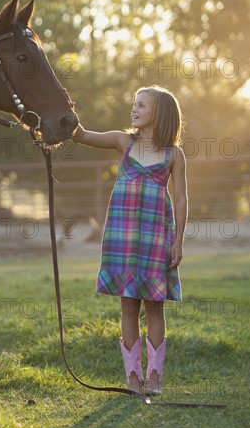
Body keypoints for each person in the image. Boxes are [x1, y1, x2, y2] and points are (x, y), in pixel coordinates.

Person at [72, 86, 187, 396]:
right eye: (134, 104)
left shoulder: (174, 154)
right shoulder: (122, 141)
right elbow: (80, 135)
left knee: (154, 307)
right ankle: (133, 377)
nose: (134, 109)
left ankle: (155, 375)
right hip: (122, 236)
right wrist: (64, 109)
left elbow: (181, 198)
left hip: (154, 237)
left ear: (159, 114)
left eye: (141, 105)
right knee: (127, 304)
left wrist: (178, 241)